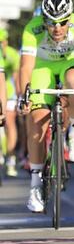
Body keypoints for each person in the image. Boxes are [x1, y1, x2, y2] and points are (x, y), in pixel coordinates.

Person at [18, 0, 74, 213]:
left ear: (70, 18)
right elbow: (25, 67)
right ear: (43, 19)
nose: (57, 28)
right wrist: (23, 94)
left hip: (68, 64)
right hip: (41, 68)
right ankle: (35, 186)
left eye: (63, 22)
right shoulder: (32, 29)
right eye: (51, 22)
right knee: (37, 123)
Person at [0, 29, 20, 177]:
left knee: (9, 122)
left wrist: (20, 96)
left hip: (9, 92)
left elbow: (16, 77)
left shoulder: (12, 55)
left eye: (2, 42)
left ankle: (11, 159)